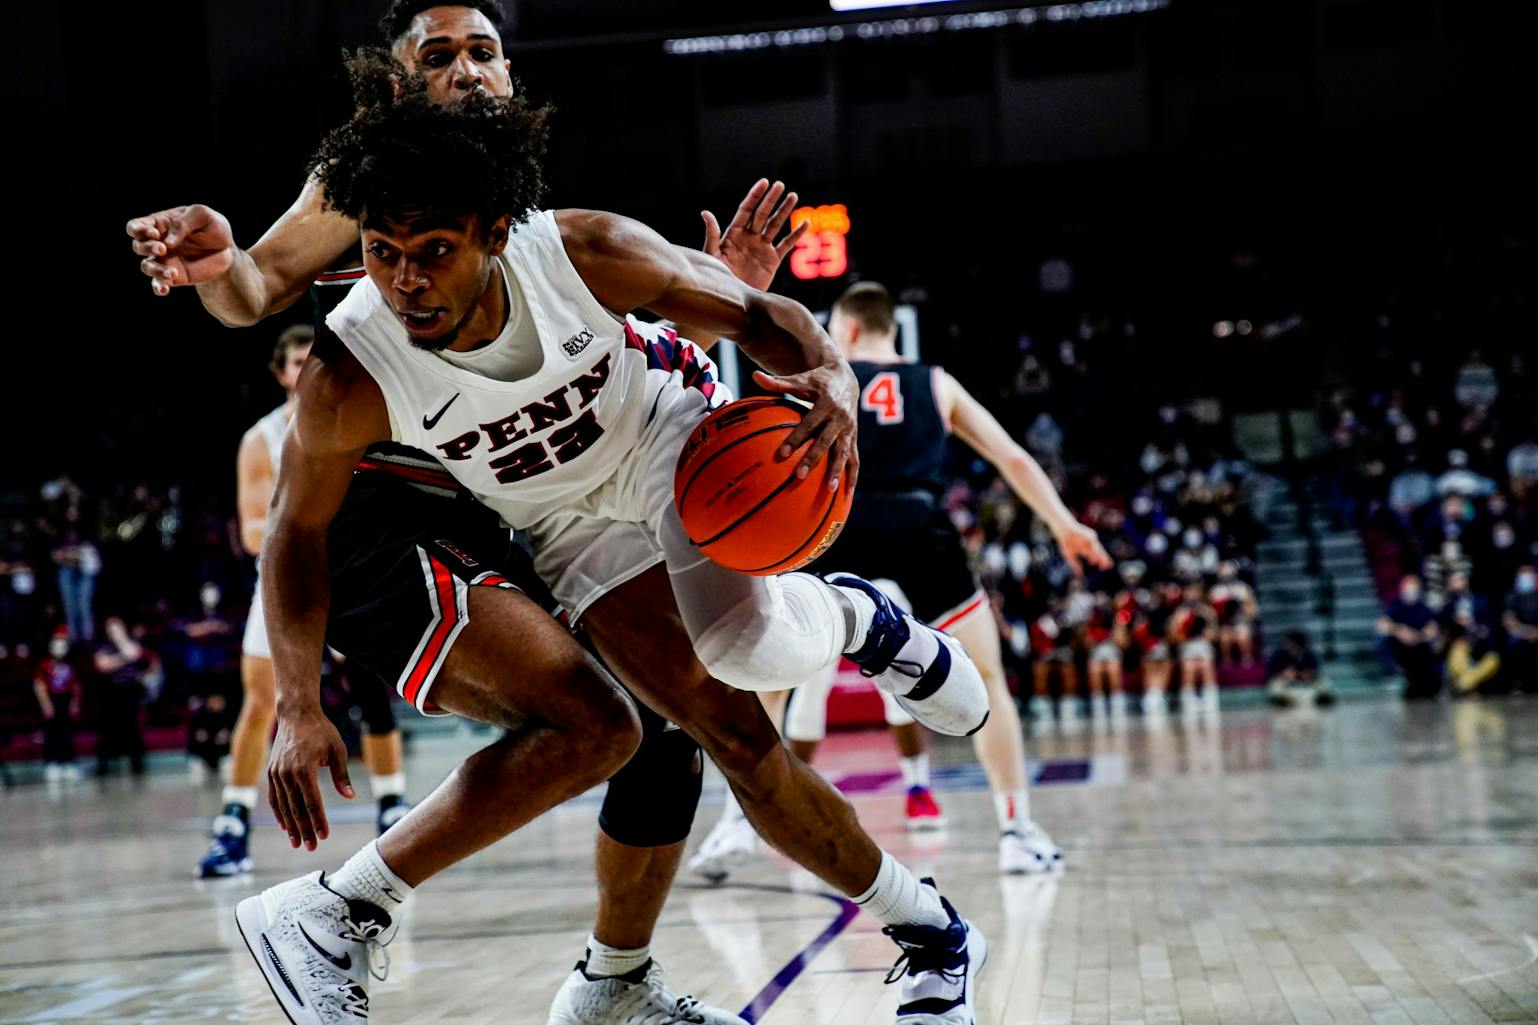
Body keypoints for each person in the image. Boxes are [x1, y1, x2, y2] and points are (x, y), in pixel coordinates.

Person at [169, 47, 990, 1025]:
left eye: (433, 251)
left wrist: (834, 379)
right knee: (713, 729)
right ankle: (929, 931)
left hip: (663, 444)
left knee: (736, 653)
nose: (407, 283)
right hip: (559, 521)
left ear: (492, 231)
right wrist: (299, 702)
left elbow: (763, 316)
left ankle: (857, 615)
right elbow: (294, 532)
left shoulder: (585, 247)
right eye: (384, 255)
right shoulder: (352, 367)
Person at [127, 6, 789, 1020]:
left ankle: (615, 982)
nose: (468, 70)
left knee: (662, 730)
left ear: (512, 74)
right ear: (396, 86)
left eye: (482, 51)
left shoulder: (510, 204)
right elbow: (257, 287)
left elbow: (590, 351)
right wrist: (220, 264)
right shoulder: (365, 184)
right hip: (374, 515)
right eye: (438, 56)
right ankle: (336, 910)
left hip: (476, 503)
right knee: (596, 720)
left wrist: (721, 296)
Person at [197, 324, 415, 878]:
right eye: (294, 362)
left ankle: (392, 805)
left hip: (349, 572)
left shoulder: (356, 416)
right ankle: (233, 821)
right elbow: (251, 529)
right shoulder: (261, 438)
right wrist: (296, 533)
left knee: (371, 693)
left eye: (311, 360)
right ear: (279, 373)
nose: (303, 370)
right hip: (286, 577)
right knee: (260, 703)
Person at [92, 617, 156, 776]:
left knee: (133, 728)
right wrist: (121, 658)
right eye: (111, 629)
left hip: (130, 691)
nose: (115, 632)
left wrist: (121, 644)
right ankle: (104, 765)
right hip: (111, 693)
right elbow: (103, 665)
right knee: (108, 730)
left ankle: (137, 764)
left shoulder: (130, 642)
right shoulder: (103, 647)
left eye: (117, 628)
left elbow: (134, 654)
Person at [1377, 575, 1441, 699]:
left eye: (1413, 587)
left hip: (1420, 643)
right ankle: (1391, 676)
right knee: (1383, 641)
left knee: (1428, 649)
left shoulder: (1424, 607)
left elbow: (1432, 627)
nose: (1410, 590)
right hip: (1399, 642)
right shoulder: (1396, 605)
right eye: (1407, 587)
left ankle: (1426, 684)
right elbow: (1382, 624)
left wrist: (1419, 636)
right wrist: (1399, 631)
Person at [33, 629, 83, 780]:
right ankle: (52, 763)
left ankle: (68, 763)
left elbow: (76, 687)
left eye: (63, 646)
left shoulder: (70, 666)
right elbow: (39, 685)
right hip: (52, 700)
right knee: (52, 734)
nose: (59, 650)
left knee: (66, 734)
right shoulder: (45, 665)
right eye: (56, 646)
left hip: (65, 701)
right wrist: (46, 703)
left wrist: (74, 703)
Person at [1265, 631, 1334, 708]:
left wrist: (1308, 674)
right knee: (1275, 684)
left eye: (1290, 643)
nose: (1287, 645)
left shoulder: (1309, 654)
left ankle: (1323, 697)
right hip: (1285, 681)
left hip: (1305, 681)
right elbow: (1271, 670)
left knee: (1323, 681)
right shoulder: (1279, 654)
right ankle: (1281, 699)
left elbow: (1315, 670)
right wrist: (1283, 674)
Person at [1502, 565, 1538, 692]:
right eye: (1523, 575)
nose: (1526, 578)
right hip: (1520, 633)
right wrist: (1527, 633)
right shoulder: (1511, 596)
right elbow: (1508, 621)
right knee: (1514, 643)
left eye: (1529, 575)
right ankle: (1517, 683)